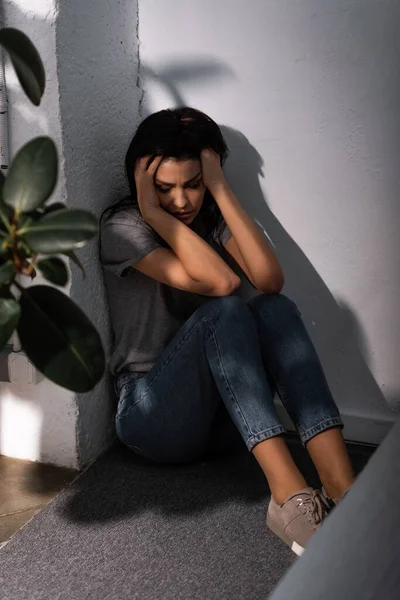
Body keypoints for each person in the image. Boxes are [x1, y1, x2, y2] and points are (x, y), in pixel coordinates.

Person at [100, 107, 355, 556]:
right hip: (149, 416)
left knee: (273, 308)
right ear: (142, 184)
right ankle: (289, 500)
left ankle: (344, 489)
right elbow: (222, 285)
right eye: (164, 189)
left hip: (223, 420)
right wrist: (152, 214)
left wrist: (220, 187)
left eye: (193, 184)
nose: (181, 202)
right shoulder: (123, 227)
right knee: (229, 311)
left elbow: (270, 280)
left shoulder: (210, 218)